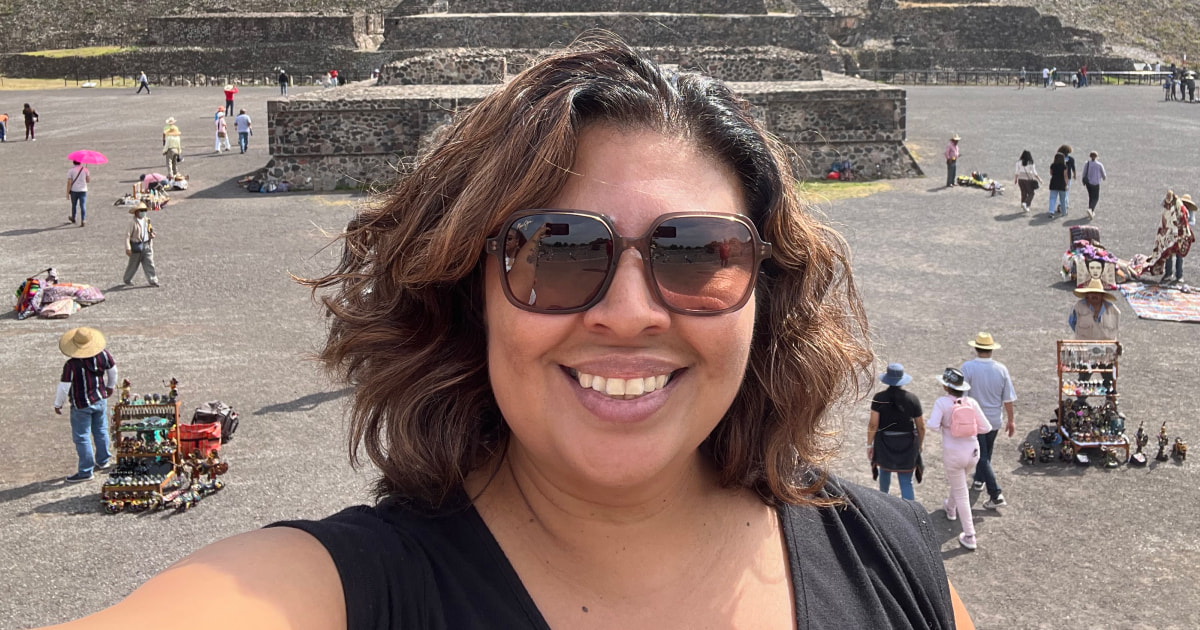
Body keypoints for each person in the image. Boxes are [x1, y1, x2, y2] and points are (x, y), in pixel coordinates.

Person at [45, 38, 966, 629]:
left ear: (763, 290)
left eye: (698, 253)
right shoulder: (340, 592)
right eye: (556, 251)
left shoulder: (892, 559)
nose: (630, 312)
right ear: (467, 292)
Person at [927, 368, 991, 551]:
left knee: (961, 492)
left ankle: (970, 535)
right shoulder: (971, 402)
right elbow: (986, 427)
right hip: (972, 452)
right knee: (960, 484)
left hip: (953, 453)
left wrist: (947, 426)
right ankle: (950, 508)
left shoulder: (942, 403)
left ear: (946, 386)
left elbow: (932, 425)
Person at [53, 327, 117, 483]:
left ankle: (86, 471)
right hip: (100, 398)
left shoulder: (71, 365)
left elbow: (64, 387)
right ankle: (103, 460)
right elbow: (113, 371)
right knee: (101, 430)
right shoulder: (103, 355)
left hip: (81, 404)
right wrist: (110, 386)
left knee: (82, 436)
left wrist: (58, 404)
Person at [960, 332, 1016, 510]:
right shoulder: (1001, 369)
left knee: (981, 456)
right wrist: (1011, 420)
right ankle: (979, 480)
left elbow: (963, 397)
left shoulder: (968, 368)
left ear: (976, 348)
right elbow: (1008, 399)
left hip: (976, 420)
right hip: (994, 420)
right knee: (986, 453)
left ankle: (996, 493)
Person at [867, 363, 924, 501]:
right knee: (906, 481)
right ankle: (909, 510)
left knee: (884, 473)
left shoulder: (879, 398)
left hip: (885, 443)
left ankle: (884, 504)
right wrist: (920, 444)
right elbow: (921, 426)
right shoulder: (912, 399)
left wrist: (869, 444)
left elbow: (873, 424)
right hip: (907, 444)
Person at [1146, 190, 1195, 284]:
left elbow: (1192, 222)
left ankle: (1179, 275)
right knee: (1168, 253)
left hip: (1182, 236)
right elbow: (1164, 204)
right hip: (1172, 234)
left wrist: (1184, 222)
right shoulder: (1175, 207)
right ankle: (1168, 273)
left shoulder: (1188, 212)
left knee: (1179, 256)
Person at [123, 202, 160, 287]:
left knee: (149, 263)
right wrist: (128, 248)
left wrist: (152, 235)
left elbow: (150, 230)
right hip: (136, 246)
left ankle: (153, 280)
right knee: (133, 264)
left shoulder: (147, 220)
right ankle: (127, 279)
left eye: (144, 210)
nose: (143, 212)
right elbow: (127, 236)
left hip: (147, 244)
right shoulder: (132, 223)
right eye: (141, 210)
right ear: (136, 212)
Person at [1081, 151, 1107, 219]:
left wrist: (1083, 180)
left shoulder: (1087, 163)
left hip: (1088, 183)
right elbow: (1104, 175)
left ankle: (1091, 210)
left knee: (1091, 196)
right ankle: (1091, 209)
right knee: (1096, 198)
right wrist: (1104, 178)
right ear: (1097, 157)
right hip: (1096, 183)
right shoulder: (1099, 164)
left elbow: (1084, 173)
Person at [66, 160, 90, 227]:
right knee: (83, 205)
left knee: (74, 205)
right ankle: (83, 220)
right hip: (83, 190)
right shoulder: (85, 170)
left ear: (73, 162)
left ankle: (73, 218)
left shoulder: (71, 170)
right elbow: (88, 181)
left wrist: (67, 192)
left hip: (74, 190)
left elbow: (69, 182)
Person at [1056, 144, 1076, 215]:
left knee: (1061, 191)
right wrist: (1074, 175)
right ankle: (1062, 205)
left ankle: (1065, 204)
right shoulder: (1071, 159)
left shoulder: (1058, 158)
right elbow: (1073, 168)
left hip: (1059, 177)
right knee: (1066, 191)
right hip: (1068, 177)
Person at [1047, 151, 1068, 218]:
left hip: (1054, 183)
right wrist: (1066, 184)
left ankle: (1051, 212)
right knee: (1062, 199)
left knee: (1052, 198)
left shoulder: (1052, 165)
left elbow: (1051, 173)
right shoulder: (1064, 166)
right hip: (1061, 183)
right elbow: (1065, 176)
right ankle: (1064, 212)